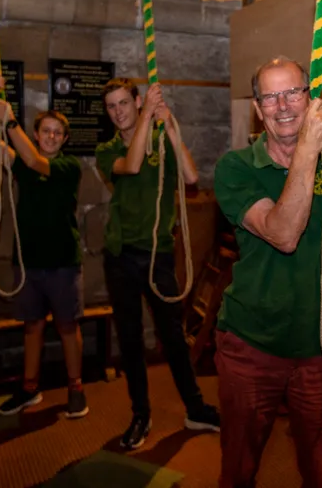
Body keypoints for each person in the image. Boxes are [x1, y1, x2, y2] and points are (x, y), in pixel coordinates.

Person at [211, 0, 322, 488]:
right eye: (270, 98)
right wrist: (306, 151)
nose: (283, 107)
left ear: (310, 95)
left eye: (294, 94)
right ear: (257, 108)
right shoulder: (236, 168)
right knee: (239, 467)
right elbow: (282, 232)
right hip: (251, 347)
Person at [95, 78, 221, 450]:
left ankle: (195, 408)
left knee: (172, 337)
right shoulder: (107, 150)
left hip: (157, 252)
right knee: (131, 339)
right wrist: (148, 115)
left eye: (123, 103)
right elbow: (132, 165)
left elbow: (192, 176)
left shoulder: (161, 139)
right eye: (111, 107)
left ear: (135, 101)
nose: (118, 112)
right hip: (120, 256)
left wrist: (167, 124)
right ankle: (140, 414)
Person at [0, 72, 88, 419]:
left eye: (58, 133)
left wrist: (10, 119)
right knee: (32, 325)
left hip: (61, 262)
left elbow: (34, 160)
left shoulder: (68, 167)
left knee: (68, 326)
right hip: (28, 262)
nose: (52, 137)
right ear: (38, 134)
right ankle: (29, 388)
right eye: (46, 131)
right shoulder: (22, 162)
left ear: (64, 138)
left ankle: (75, 387)